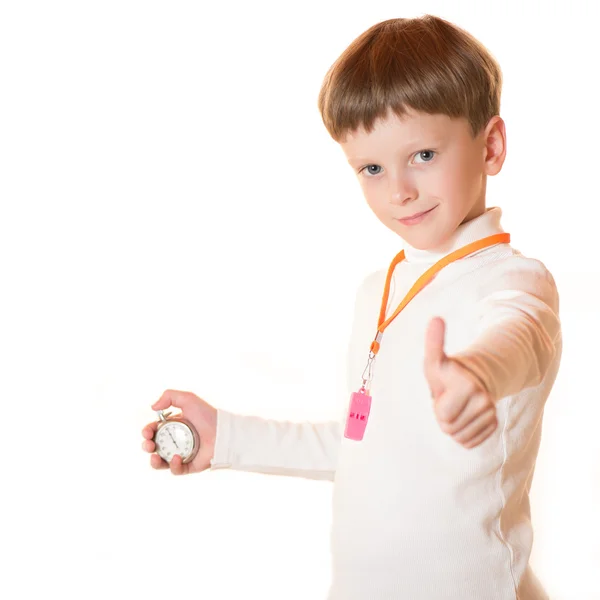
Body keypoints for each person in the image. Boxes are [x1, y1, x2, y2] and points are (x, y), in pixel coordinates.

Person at [141, 14, 562, 600]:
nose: (398, 191)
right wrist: (227, 439)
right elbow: (363, 446)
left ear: (490, 146)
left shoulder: (513, 280)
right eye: (371, 168)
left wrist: (478, 372)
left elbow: (522, 335)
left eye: (422, 155)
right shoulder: (380, 289)